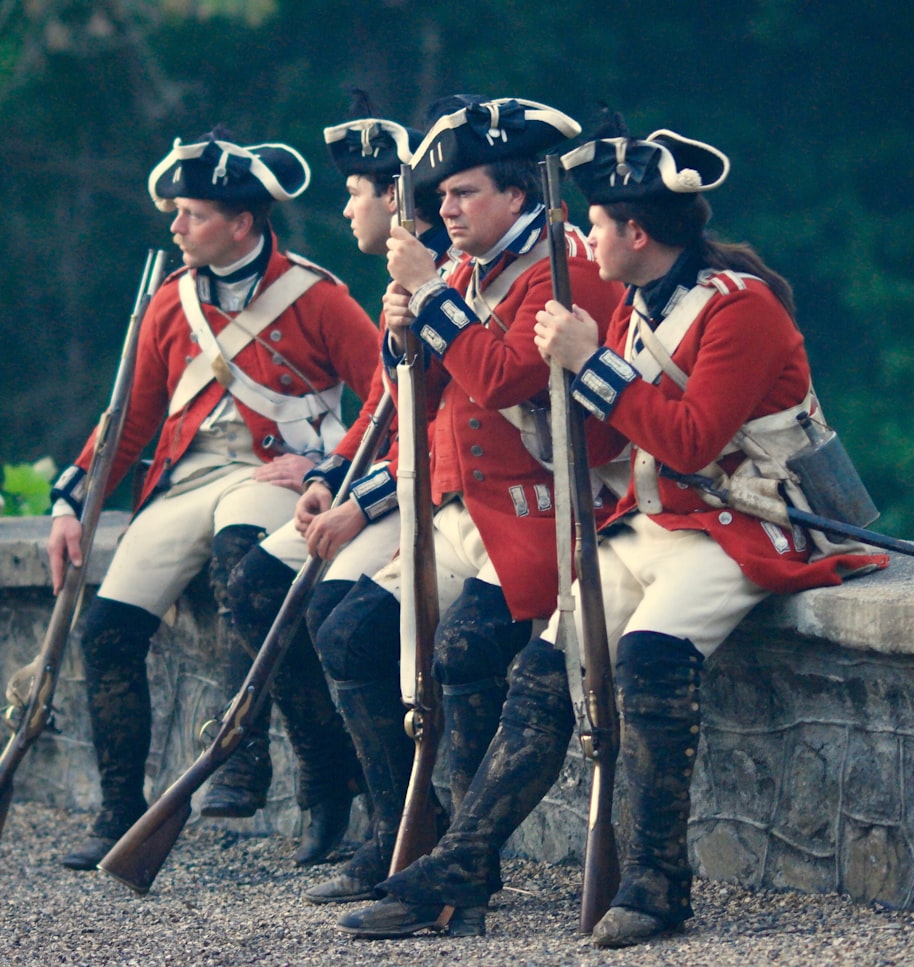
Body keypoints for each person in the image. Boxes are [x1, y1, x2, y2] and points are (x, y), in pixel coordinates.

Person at [334, 129, 890, 945]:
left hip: (750, 523)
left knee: (650, 658)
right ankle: (462, 864)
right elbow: (588, 433)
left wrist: (591, 364)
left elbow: (693, 439)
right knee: (538, 672)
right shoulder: (637, 299)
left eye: (596, 224)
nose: (584, 240)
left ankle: (658, 881)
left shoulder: (741, 309)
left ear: (636, 234)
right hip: (662, 519)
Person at [302, 96, 624, 910]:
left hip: (543, 511)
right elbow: (421, 392)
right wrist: (402, 327)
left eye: (464, 192)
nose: (443, 209)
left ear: (517, 195)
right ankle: (399, 829)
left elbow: (509, 375)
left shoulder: (564, 265)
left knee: (464, 652)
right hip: (467, 507)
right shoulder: (463, 272)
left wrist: (432, 298)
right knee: (345, 635)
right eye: (440, 195)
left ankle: (463, 867)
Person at [47, 127, 380, 871]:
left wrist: (325, 462)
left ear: (242, 221)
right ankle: (119, 809)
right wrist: (72, 501)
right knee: (105, 627)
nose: (175, 226)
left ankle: (243, 755)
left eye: (190, 213)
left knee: (242, 557)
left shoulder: (319, 296)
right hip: (188, 477)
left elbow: (387, 386)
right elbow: (129, 417)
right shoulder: (170, 302)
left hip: (273, 477)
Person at [221, 112, 454, 864]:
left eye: (356, 191)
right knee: (256, 582)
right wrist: (327, 477)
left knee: (337, 618)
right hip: (394, 483)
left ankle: (405, 822)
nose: (347, 209)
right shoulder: (403, 282)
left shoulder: (448, 282)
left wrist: (361, 503)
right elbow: (384, 411)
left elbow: (445, 439)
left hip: (440, 498)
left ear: (396, 197)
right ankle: (330, 779)